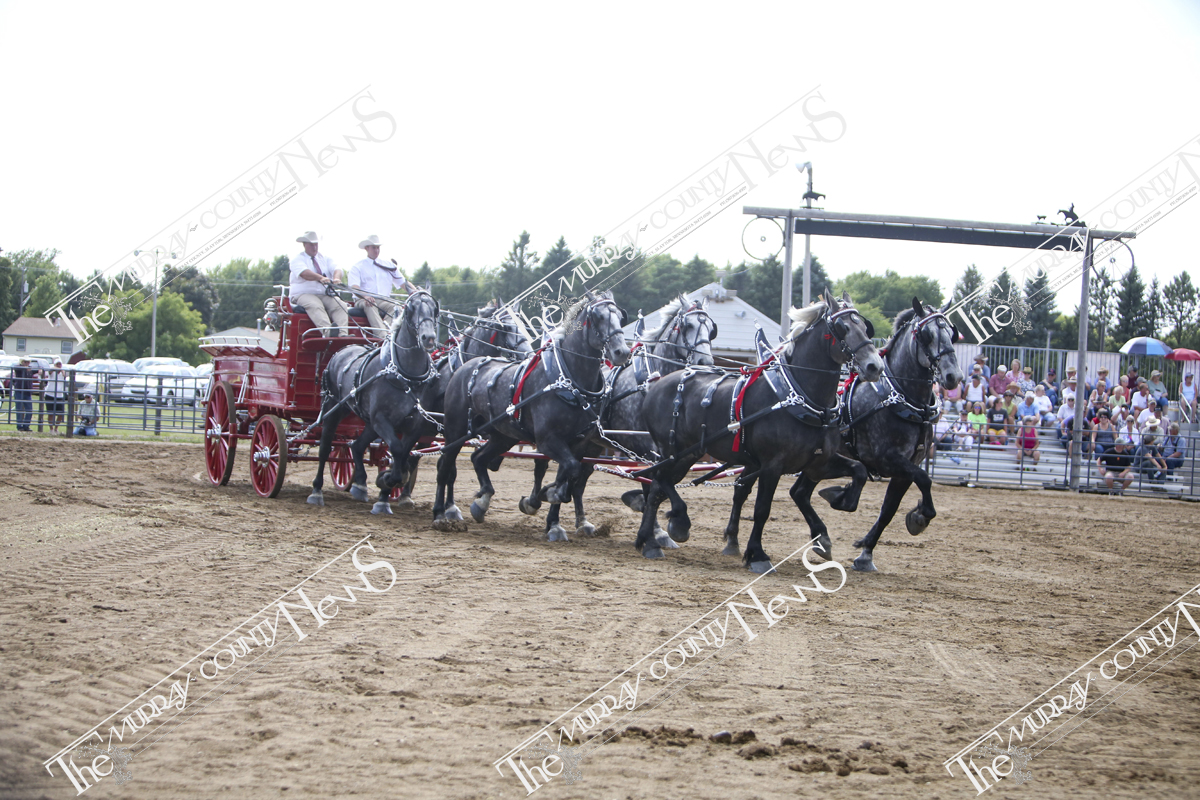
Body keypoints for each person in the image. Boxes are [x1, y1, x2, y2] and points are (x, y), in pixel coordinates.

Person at [347, 235, 419, 332]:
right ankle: (383, 336)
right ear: (366, 248)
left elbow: (403, 282)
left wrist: (416, 292)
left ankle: (387, 332)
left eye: (378, 247)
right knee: (370, 304)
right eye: (374, 248)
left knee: (396, 307)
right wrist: (365, 296)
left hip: (384, 300)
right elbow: (355, 288)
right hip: (362, 300)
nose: (376, 250)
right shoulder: (357, 267)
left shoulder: (388, 265)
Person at [289, 231, 348, 337]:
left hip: (323, 294)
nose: (315, 247)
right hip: (302, 294)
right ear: (304, 244)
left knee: (340, 305)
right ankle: (329, 333)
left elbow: (337, 268)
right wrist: (320, 278)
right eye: (311, 245)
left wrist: (336, 278)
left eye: (316, 244)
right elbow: (305, 273)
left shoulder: (324, 258)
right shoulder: (297, 259)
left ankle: (343, 335)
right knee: (315, 305)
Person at [43, 357, 68, 433]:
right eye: (57, 364)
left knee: (61, 413)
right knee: (51, 413)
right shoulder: (52, 371)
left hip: (59, 395)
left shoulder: (63, 372)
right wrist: (57, 368)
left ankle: (56, 428)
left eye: (60, 364)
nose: (59, 366)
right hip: (50, 394)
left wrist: (62, 371)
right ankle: (51, 429)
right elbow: (50, 370)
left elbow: (66, 375)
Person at [12, 357, 34, 431]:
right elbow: (15, 367)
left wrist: (40, 370)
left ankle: (26, 426)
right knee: (19, 409)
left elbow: (40, 368)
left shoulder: (30, 369)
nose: (27, 363)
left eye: (28, 362)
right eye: (25, 362)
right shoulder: (19, 368)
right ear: (22, 362)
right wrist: (25, 368)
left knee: (29, 410)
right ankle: (19, 426)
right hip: (19, 391)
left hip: (27, 392)